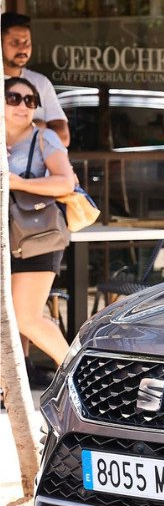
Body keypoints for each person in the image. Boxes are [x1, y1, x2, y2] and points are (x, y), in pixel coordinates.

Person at [6, 75, 76, 376]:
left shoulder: (43, 138)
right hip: (5, 238)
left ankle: (80, 375)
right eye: (13, 98)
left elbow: (66, 182)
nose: (23, 105)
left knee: (27, 316)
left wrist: (20, 182)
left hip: (37, 235)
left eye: (30, 101)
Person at [2, 12, 70, 147]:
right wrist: (38, 127)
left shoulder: (41, 83)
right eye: (15, 42)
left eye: (27, 42)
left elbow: (63, 137)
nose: (23, 48)